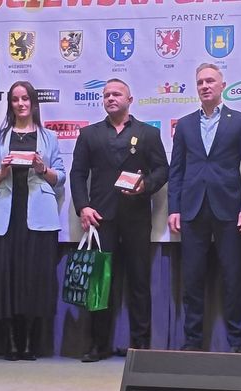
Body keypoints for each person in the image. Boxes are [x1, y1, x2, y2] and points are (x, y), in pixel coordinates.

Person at [70, 78, 168, 362]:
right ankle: (97, 344)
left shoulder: (148, 134)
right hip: (101, 219)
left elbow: (163, 170)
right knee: (99, 284)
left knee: (139, 282)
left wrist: (145, 186)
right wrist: (83, 207)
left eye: (116, 94)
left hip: (136, 217)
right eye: (106, 95)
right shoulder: (88, 134)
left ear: (130, 100)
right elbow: (78, 174)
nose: (111, 98)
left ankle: (141, 345)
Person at [167, 63, 241, 353]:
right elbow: (176, 170)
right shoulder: (184, 125)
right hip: (192, 210)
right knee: (192, 279)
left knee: (233, 278)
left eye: (210, 81)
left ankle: (238, 343)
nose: (205, 86)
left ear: (222, 86)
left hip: (230, 210)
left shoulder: (240, 121)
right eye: (200, 82)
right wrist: (173, 208)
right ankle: (192, 342)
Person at [0, 81, 66, 361]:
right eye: (15, 99)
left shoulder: (49, 137)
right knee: (7, 279)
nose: (21, 104)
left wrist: (43, 168)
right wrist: (2, 171)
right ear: (10, 104)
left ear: (34, 103)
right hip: (5, 218)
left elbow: (61, 178)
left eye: (25, 99)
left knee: (33, 279)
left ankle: (29, 344)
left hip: (39, 219)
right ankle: (11, 343)